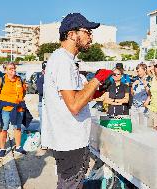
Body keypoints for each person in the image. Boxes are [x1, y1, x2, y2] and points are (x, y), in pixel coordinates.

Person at [41, 13, 113, 189]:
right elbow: (74, 105)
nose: (91, 37)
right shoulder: (63, 61)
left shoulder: (66, 61)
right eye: (87, 32)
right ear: (72, 34)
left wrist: (97, 90)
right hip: (70, 141)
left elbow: (77, 95)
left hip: (69, 139)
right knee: (70, 185)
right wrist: (97, 79)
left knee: (72, 184)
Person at [0, 62, 27, 157]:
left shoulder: (20, 80)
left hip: (18, 108)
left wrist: (19, 101)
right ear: (5, 70)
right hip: (5, 109)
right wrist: (0, 103)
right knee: (3, 129)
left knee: (17, 128)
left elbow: (24, 92)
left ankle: (18, 147)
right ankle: (2, 149)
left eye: (14, 68)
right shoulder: (0, 81)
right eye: (11, 69)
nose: (13, 70)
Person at [130, 63, 150, 127]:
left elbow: (151, 94)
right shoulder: (137, 80)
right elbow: (132, 94)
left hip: (143, 106)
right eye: (137, 71)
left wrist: (145, 85)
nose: (138, 72)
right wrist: (132, 87)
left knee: (143, 126)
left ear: (145, 70)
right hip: (134, 105)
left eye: (139, 71)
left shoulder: (149, 80)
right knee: (134, 126)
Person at [36, 61, 46, 132]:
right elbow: (41, 92)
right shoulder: (41, 79)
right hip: (42, 104)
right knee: (43, 124)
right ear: (43, 71)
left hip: (50, 104)